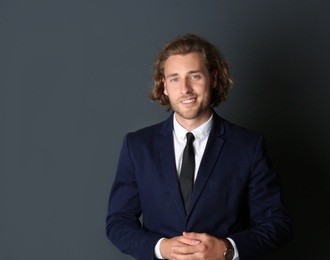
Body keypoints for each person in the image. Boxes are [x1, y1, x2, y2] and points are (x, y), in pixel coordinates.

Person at [106, 34, 292, 260]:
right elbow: (118, 222)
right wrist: (161, 248)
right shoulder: (137, 147)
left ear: (213, 79)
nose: (185, 89)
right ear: (164, 86)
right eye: (174, 79)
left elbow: (277, 224)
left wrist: (226, 248)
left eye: (194, 76)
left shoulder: (248, 146)